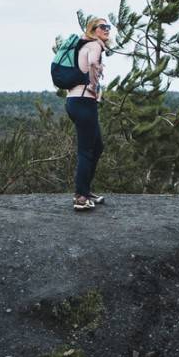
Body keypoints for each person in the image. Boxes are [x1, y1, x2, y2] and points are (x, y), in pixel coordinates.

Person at [66, 16, 111, 213]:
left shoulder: (83, 45)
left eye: (108, 26)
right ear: (93, 30)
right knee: (86, 150)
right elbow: (92, 63)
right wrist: (94, 86)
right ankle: (81, 197)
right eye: (102, 27)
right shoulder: (95, 45)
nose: (107, 29)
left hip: (74, 101)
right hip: (84, 101)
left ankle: (85, 190)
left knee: (97, 146)